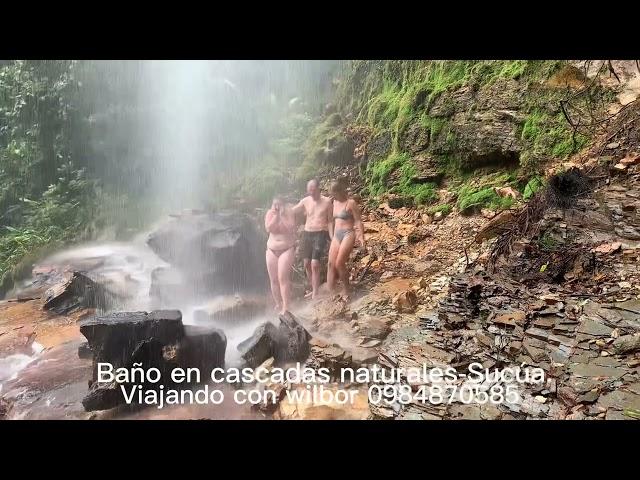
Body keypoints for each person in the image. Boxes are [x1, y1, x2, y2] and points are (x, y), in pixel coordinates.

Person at [292, 179, 334, 299]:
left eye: (313, 190)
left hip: (320, 232)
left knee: (315, 263)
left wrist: (331, 236)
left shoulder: (327, 202)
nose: (311, 193)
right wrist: (279, 211)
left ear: (318, 189)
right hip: (307, 233)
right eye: (309, 191)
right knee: (306, 263)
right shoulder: (305, 201)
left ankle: (315, 292)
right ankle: (313, 287)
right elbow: (293, 211)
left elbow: (330, 220)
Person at [327, 180, 365, 299]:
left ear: (339, 191)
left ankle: (346, 290)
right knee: (330, 264)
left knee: (339, 263)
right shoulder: (333, 202)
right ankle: (331, 292)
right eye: (332, 193)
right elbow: (330, 221)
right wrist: (331, 234)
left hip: (348, 233)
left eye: (334, 193)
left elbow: (358, 220)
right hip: (336, 234)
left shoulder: (351, 202)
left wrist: (361, 236)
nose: (333, 195)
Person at [264, 195, 297, 314]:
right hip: (271, 249)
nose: (276, 207)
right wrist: (276, 216)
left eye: (279, 205)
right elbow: (268, 228)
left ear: (283, 205)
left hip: (286, 248)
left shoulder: (289, 212)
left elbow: (290, 228)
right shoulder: (269, 214)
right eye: (274, 205)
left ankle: (286, 307)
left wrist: (282, 215)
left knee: (283, 278)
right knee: (273, 279)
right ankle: (279, 303)